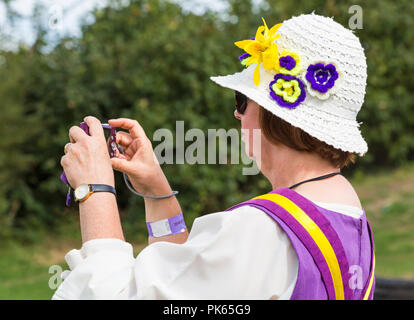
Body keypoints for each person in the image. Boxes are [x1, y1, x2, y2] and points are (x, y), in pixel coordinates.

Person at [53, 13, 374, 300]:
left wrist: (95, 191)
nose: (237, 115)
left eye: (242, 99)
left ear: (276, 113)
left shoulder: (260, 231)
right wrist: (156, 191)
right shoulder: (349, 216)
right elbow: (186, 285)